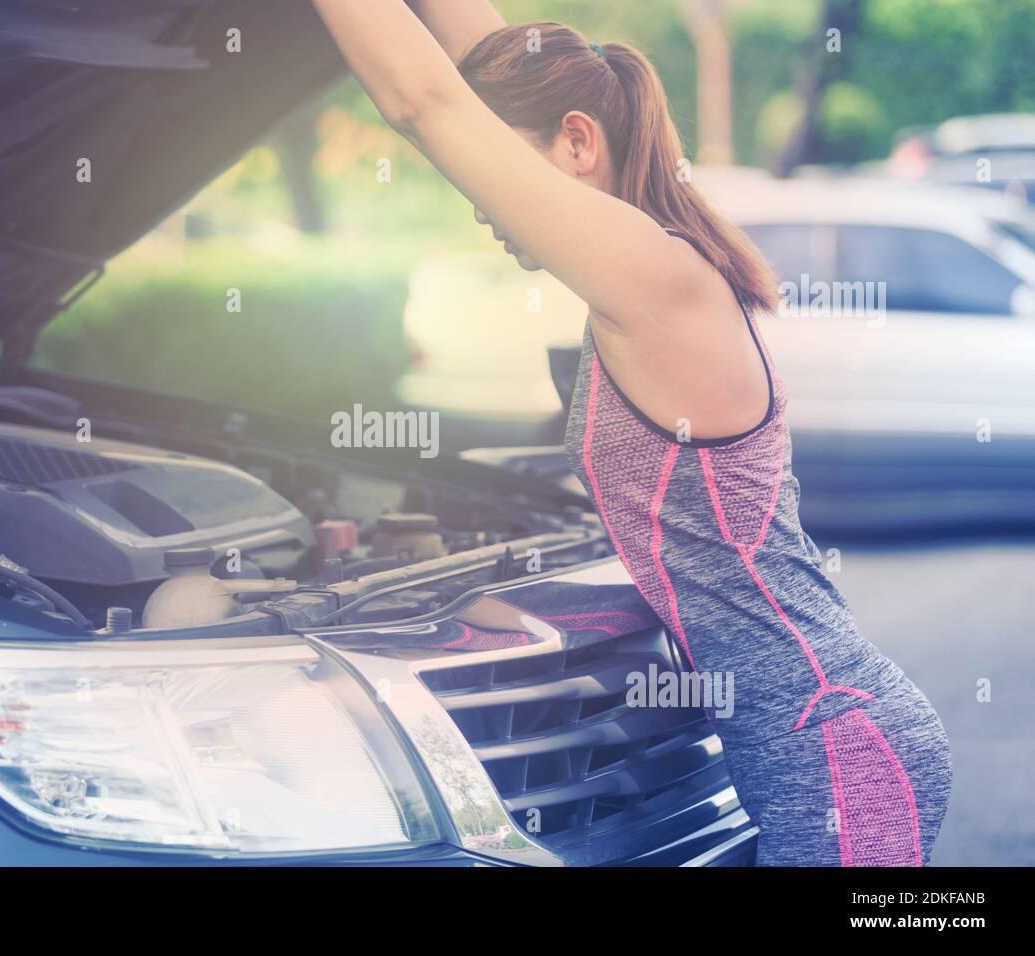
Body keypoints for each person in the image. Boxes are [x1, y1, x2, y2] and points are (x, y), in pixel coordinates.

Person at [309, 0, 951, 866]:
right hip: (808, 738)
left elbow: (429, 103)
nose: (483, 205)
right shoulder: (651, 265)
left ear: (578, 143)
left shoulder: (656, 276)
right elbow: (488, 76)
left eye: (493, 173)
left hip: (833, 748)